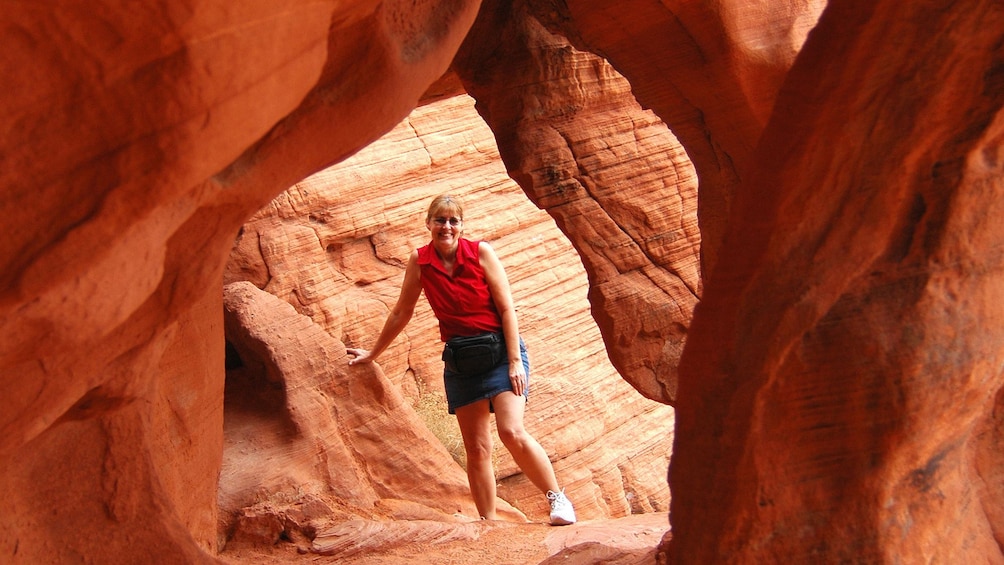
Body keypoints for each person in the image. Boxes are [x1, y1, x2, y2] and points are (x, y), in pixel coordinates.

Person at [346, 194, 576, 526]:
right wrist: (373, 353)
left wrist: (514, 361)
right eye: (440, 220)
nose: (447, 227)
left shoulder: (481, 252)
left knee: (511, 431)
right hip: (461, 362)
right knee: (478, 449)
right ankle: (489, 522)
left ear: (462, 226)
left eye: (454, 221)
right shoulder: (420, 262)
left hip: (500, 354)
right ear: (428, 224)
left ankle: (558, 499)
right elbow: (401, 312)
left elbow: (507, 308)